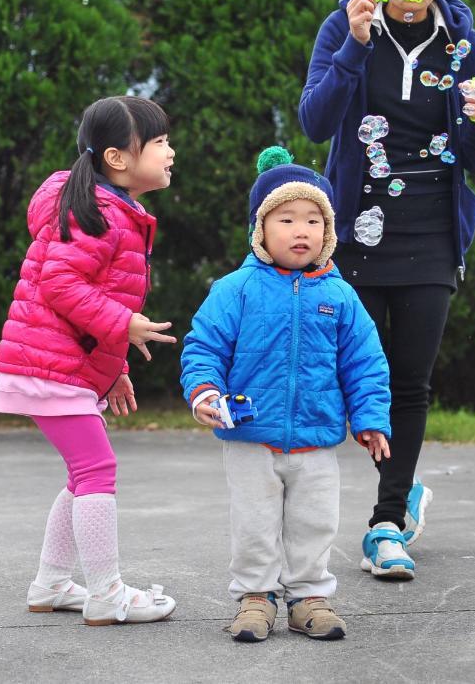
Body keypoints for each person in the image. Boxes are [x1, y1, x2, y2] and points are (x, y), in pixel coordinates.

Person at [299, 0, 475, 580]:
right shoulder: (344, 25)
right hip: (355, 231)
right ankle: (391, 488)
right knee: (350, 378)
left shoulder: (461, 42)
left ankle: (386, 522)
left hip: (431, 233)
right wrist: (354, 47)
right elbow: (315, 121)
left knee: (406, 382)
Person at [180, 147, 391, 642]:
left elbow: (365, 363)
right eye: (288, 219)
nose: (302, 231)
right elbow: (204, 347)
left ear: (329, 231)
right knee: (254, 522)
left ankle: (308, 596)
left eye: (314, 220)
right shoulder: (236, 289)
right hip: (251, 434)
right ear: (260, 230)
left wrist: (370, 418)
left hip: (317, 435)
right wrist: (205, 390)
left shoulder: (340, 296)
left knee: (315, 521)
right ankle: (255, 597)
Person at [0, 96, 178, 625]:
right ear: (119, 158)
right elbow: (61, 283)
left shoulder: (109, 208)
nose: (171, 152)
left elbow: (92, 294)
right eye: (160, 142)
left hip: (61, 362)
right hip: (47, 364)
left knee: (82, 475)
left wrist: (115, 364)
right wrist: (124, 326)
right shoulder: (96, 213)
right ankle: (106, 593)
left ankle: (50, 584)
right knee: (97, 469)